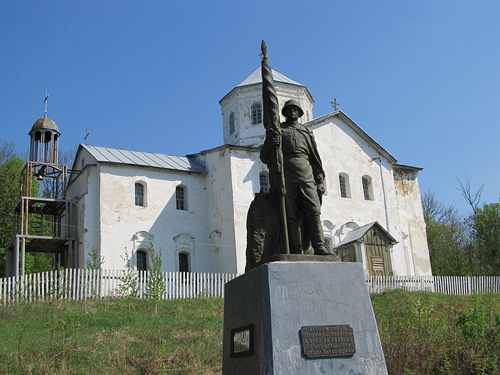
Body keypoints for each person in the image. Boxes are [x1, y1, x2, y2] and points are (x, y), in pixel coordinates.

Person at [260, 99, 330, 255]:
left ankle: (319, 246)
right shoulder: (279, 130)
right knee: (290, 216)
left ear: (299, 112)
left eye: (295, 109)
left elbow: (315, 159)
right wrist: (272, 143)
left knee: (314, 212)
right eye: (289, 109)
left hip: (306, 175)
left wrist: (320, 180)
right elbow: (264, 157)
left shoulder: (306, 132)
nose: (292, 111)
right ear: (284, 113)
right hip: (287, 177)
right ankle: (295, 249)